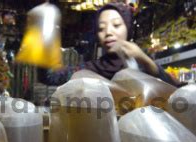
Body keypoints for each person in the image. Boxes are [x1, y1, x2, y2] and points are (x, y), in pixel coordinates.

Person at [38, 3, 178, 86]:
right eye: (101, 28)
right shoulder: (89, 70)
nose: (108, 32)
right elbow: (50, 77)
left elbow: (174, 89)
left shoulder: (143, 67)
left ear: (128, 28)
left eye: (116, 25)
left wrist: (145, 60)